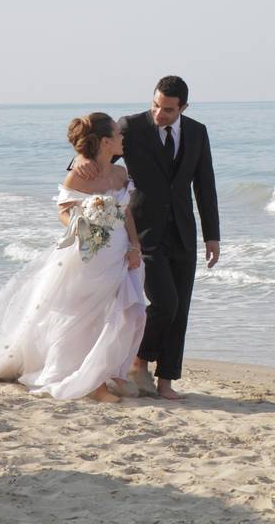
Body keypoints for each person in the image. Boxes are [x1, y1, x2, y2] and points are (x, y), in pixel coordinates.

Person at [0, 113, 146, 403]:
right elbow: (63, 211)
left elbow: (127, 212)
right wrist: (82, 226)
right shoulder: (79, 174)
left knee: (128, 313)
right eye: (117, 134)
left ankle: (107, 370)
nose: (122, 138)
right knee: (83, 317)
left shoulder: (120, 174)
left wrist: (135, 246)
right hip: (87, 254)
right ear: (105, 142)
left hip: (117, 253)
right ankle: (91, 383)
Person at [72, 76, 220, 400]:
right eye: (155, 105)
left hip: (183, 231)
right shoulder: (132, 126)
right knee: (165, 303)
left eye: (167, 109)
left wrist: (213, 236)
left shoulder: (197, 132)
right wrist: (80, 163)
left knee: (181, 308)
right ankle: (139, 363)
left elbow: (204, 185)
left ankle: (166, 380)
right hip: (142, 231)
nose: (158, 114)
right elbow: (99, 153)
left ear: (183, 107)